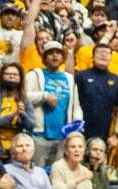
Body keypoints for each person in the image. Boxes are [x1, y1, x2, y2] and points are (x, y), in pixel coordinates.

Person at [24, 38, 81, 167]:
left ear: (63, 57)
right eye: (50, 53)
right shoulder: (34, 75)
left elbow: (75, 105)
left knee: (58, 174)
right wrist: (44, 96)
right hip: (40, 134)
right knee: (38, 172)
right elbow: (23, 97)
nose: (55, 55)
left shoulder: (70, 79)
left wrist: (77, 123)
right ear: (44, 58)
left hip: (63, 136)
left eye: (58, 53)